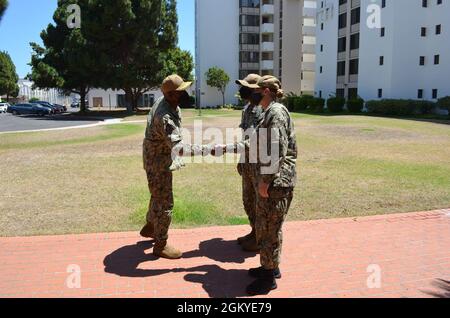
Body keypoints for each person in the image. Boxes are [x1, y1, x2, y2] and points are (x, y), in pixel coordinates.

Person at [224, 75, 298, 295]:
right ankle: (270, 267)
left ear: (265, 91)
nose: (252, 93)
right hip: (272, 179)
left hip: (276, 181)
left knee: (269, 230)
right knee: (268, 228)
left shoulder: (274, 113)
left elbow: (276, 150)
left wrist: (265, 181)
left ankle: (268, 279)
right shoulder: (270, 111)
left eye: (255, 89)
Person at [140, 74, 213, 260]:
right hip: (158, 162)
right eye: (181, 91)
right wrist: (209, 150)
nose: (185, 93)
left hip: (156, 157)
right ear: (172, 95)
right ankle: (160, 244)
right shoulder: (164, 117)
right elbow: (179, 149)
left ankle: (151, 225)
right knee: (165, 202)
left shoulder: (168, 103)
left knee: (156, 194)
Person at [235, 74, 263, 252]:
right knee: (248, 200)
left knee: (259, 203)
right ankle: (254, 231)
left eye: (246, 87)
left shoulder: (263, 109)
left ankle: (260, 237)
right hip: (248, 162)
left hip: (259, 164)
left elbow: (259, 139)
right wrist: (241, 159)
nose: (242, 90)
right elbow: (245, 136)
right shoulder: (246, 108)